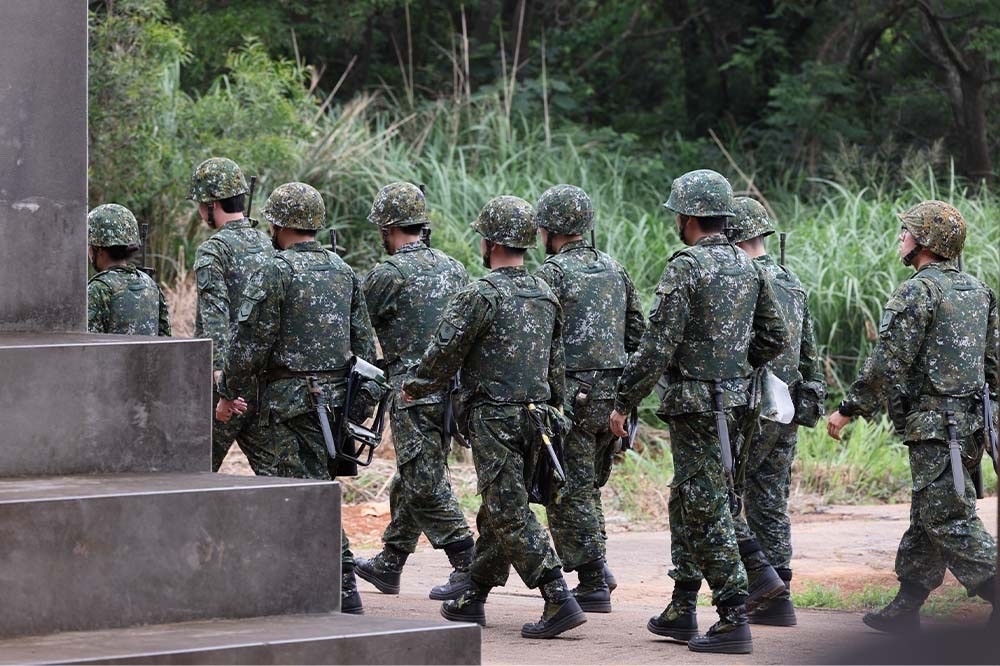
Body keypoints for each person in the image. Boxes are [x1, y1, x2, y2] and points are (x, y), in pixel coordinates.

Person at [609, 169, 787, 654]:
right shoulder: (748, 266)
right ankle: (682, 605)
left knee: (704, 505)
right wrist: (733, 368)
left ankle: (732, 615)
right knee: (690, 498)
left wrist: (625, 401)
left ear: (687, 217)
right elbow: (776, 337)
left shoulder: (686, 266)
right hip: (739, 405)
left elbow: (656, 345)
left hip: (698, 407)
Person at [402, 195, 587, 639]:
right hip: (538, 418)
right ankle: (476, 595)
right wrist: (555, 412)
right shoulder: (546, 292)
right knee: (499, 505)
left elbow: (445, 353)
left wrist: (415, 386)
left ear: (490, 242)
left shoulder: (479, 294)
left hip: (495, 417)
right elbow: (555, 364)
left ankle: (557, 594)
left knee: (507, 510)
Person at [827, 200, 997, 633]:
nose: (901, 239)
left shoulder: (917, 291)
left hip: (938, 428)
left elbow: (888, 364)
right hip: (970, 427)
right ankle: (907, 605)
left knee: (947, 517)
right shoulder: (980, 291)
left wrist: (848, 409)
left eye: (907, 232)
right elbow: (993, 366)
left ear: (923, 242)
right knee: (929, 513)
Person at [215, 182, 379, 616]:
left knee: (296, 496)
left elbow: (249, 343)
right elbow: (365, 349)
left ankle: (337, 589)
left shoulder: (275, 271)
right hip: (336, 406)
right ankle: (338, 590)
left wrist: (227, 389)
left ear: (278, 223)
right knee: (316, 491)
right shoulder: (345, 272)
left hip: (287, 406)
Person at [354, 182, 476, 601]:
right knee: (413, 474)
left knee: (423, 480)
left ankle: (467, 562)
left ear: (388, 228)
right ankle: (391, 562)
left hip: (412, 392)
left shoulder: (387, 275)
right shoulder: (454, 267)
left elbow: (355, 321)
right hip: (452, 394)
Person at [532, 184, 646, 613]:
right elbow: (637, 334)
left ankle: (593, 577)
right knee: (588, 486)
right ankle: (598, 568)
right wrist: (626, 395)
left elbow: (536, 339)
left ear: (548, 230)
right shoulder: (615, 269)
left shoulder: (551, 275)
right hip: (612, 399)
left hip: (572, 398)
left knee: (566, 488)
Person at [726, 197, 827, 627]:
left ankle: (760, 581)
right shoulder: (791, 280)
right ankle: (779, 595)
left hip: (750, 404)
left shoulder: (741, 279)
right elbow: (809, 351)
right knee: (769, 499)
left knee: (720, 495)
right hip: (786, 402)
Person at [188, 157, 274, 474]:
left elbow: (215, 320)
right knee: (282, 479)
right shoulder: (267, 244)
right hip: (265, 381)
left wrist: (221, 383)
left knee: (190, 472)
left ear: (212, 204)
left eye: (200, 204)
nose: (199, 212)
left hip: (228, 387)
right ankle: (324, 527)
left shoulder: (213, 250)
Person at [87, 203, 171, 336]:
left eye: (90, 246)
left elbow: (86, 349)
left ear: (99, 249)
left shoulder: (97, 290)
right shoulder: (151, 285)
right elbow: (165, 340)